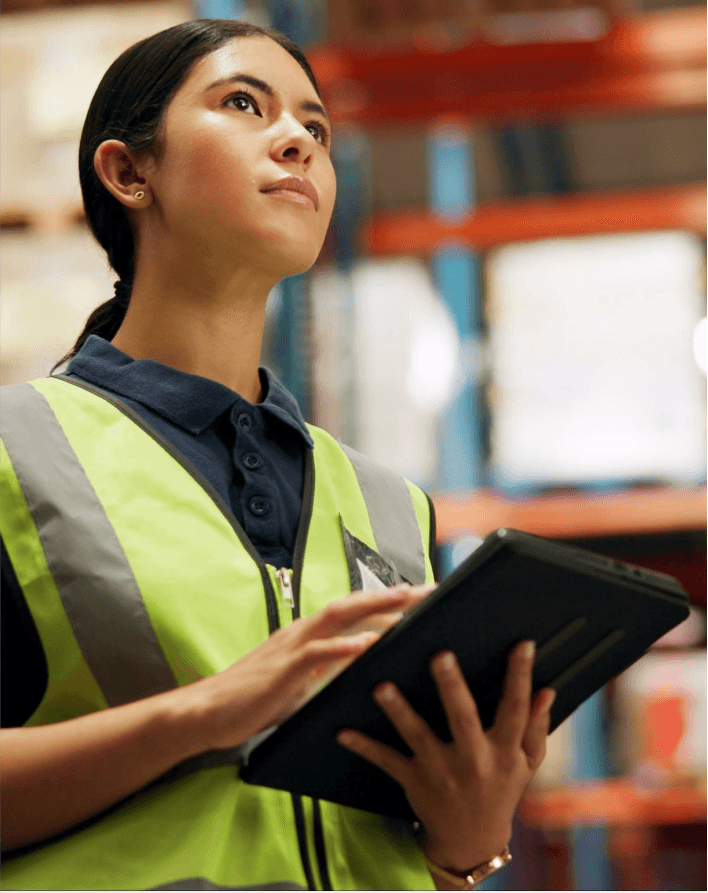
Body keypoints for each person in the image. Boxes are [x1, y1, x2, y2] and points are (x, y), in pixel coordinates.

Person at [0, 18, 556, 891]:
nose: (296, 138)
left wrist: (468, 842)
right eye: (243, 104)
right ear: (127, 171)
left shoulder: (390, 504)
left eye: (316, 128)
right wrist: (203, 712)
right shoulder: (14, 453)